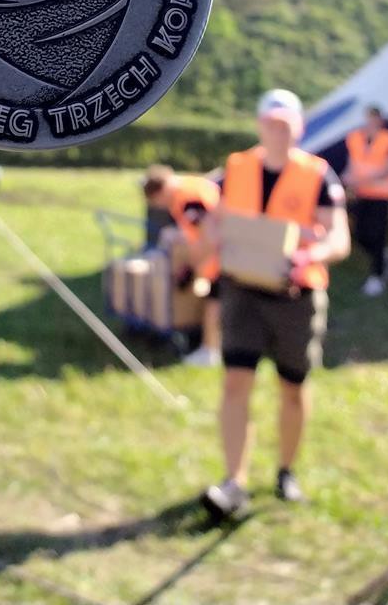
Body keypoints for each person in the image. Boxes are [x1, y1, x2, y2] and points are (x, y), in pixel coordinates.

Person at [194, 90, 350, 517]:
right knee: (235, 382)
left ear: (299, 127)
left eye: (286, 124)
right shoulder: (235, 169)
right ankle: (234, 481)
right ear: (260, 125)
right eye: (271, 123)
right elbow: (212, 219)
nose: (278, 131)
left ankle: (286, 470)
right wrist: (208, 234)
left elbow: (339, 237)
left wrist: (311, 255)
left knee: (292, 386)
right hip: (242, 291)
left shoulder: (318, 175)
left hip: (295, 296)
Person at [142, 166, 221, 366]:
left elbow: (209, 235)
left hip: (221, 256)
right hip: (222, 251)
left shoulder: (186, 199)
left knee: (215, 300)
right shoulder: (190, 184)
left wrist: (193, 265)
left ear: (159, 192)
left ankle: (210, 349)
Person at [344, 106, 388, 297]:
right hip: (361, 194)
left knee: (378, 235)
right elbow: (352, 164)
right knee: (360, 234)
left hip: (381, 195)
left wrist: (362, 180)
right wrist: (347, 180)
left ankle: (378, 275)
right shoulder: (354, 138)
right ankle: (382, 256)